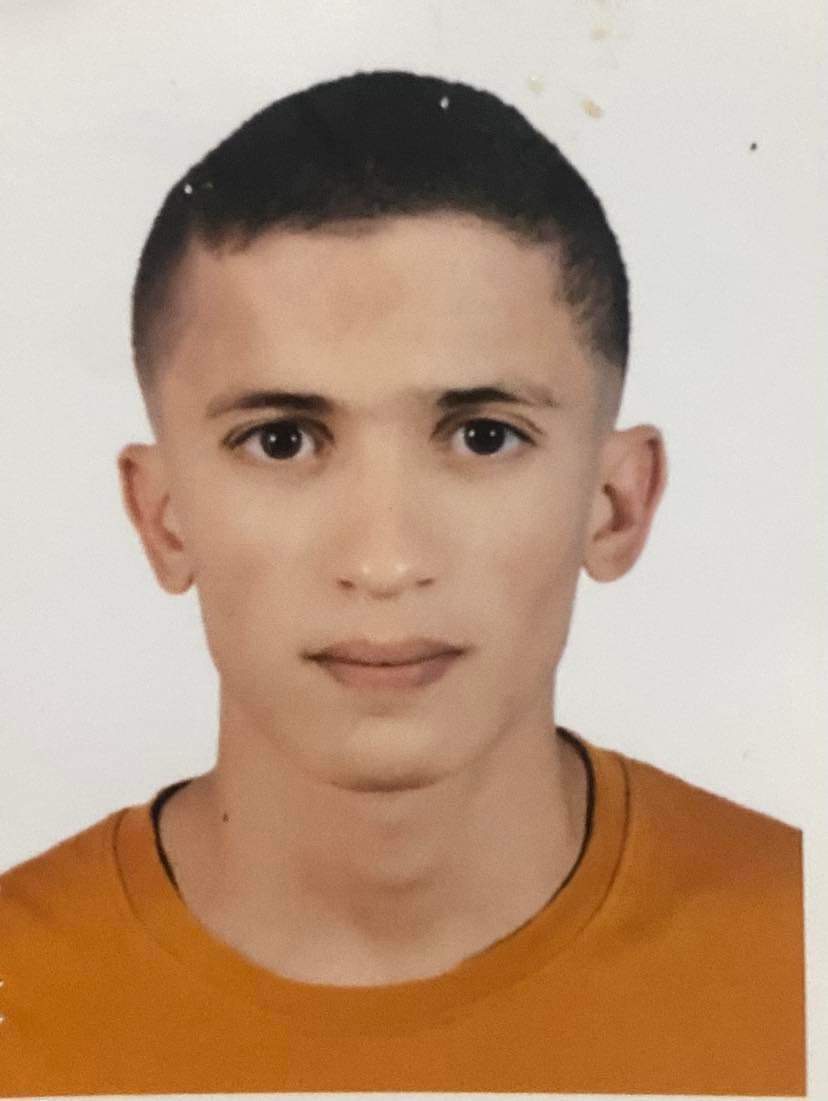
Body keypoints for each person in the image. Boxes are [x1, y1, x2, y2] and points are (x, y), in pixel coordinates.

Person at [0, 70, 805, 1096]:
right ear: (162, 518)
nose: (384, 562)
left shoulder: (800, 946)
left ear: (617, 503)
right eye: (282, 441)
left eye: (483, 436)